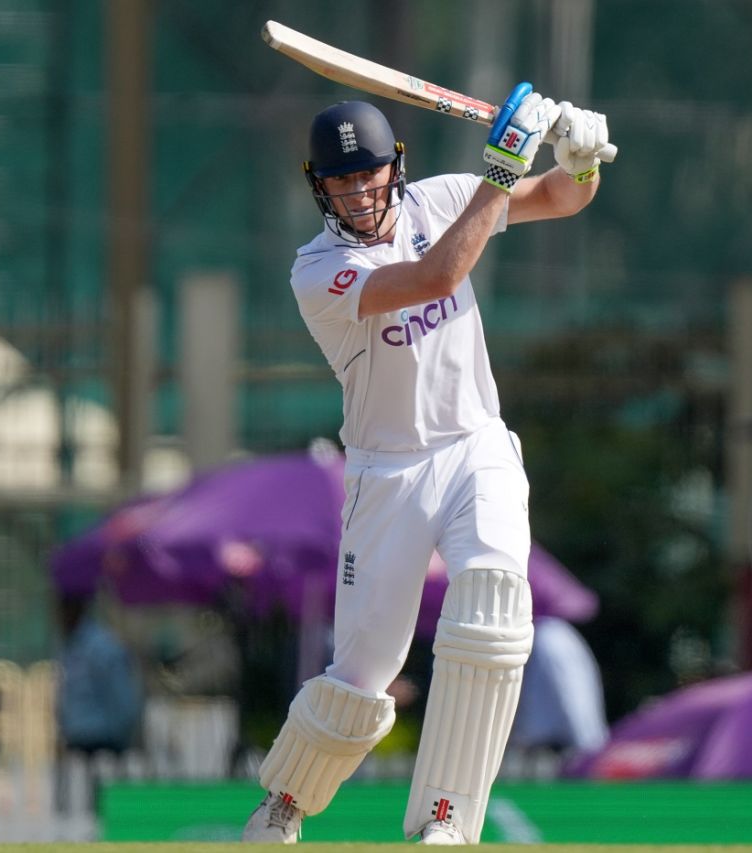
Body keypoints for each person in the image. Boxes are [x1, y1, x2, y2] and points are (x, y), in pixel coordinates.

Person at [241, 84, 614, 844]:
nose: (358, 192)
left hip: (476, 443)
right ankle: (289, 797)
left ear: (394, 169)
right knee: (362, 676)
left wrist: (580, 159)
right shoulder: (317, 272)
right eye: (341, 181)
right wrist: (501, 171)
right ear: (320, 188)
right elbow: (435, 278)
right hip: (389, 473)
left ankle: (446, 814)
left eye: (368, 174)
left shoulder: (439, 200)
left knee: (495, 604)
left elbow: (562, 198)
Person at [509, 616, 609, 761]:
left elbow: (571, 696)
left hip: (553, 750)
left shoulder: (549, 638)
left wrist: (587, 752)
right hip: (555, 745)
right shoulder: (561, 635)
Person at [54, 592, 143, 755]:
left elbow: (124, 701)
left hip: (105, 745)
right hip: (77, 744)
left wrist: (120, 739)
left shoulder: (103, 647)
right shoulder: (68, 647)